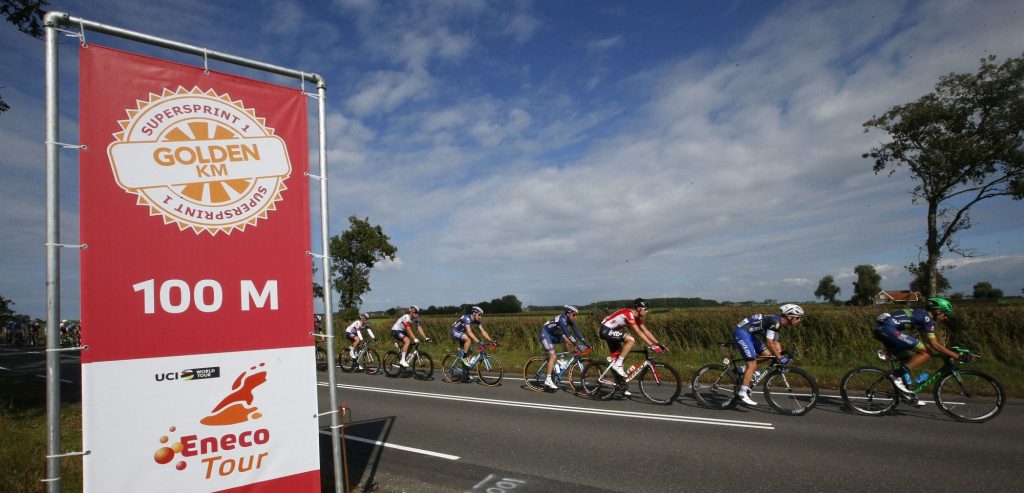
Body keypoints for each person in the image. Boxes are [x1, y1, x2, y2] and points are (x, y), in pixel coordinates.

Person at [872, 297, 966, 396]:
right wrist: (957, 356)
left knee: (908, 359)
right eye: (945, 314)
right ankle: (896, 375)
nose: (945, 317)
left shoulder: (922, 315)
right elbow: (934, 345)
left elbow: (929, 341)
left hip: (883, 329)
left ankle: (905, 392)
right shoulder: (927, 319)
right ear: (938, 311)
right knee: (926, 352)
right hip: (888, 330)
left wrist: (946, 351)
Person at [732, 304, 804, 406]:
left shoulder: (778, 323)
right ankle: (742, 393)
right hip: (741, 333)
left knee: (767, 354)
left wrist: (781, 355)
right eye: (798, 318)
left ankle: (743, 369)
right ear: (789, 317)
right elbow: (769, 342)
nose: (799, 320)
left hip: (749, 334)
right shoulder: (775, 322)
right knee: (752, 364)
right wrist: (780, 357)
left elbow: (776, 341)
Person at [599, 298, 665, 378]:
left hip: (610, 332)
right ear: (639, 309)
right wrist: (652, 345)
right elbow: (639, 332)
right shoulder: (629, 314)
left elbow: (645, 331)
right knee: (631, 340)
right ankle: (617, 364)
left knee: (621, 358)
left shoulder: (636, 317)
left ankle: (619, 386)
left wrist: (658, 344)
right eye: (646, 309)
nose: (647, 311)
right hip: (605, 331)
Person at [539, 305, 589, 390]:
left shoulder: (569, 320)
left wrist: (587, 343)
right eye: (574, 315)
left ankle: (561, 360)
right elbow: (568, 334)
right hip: (545, 335)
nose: (575, 317)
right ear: (568, 313)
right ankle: (548, 379)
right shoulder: (562, 320)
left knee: (568, 342)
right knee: (553, 356)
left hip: (553, 335)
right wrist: (578, 344)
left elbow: (577, 334)